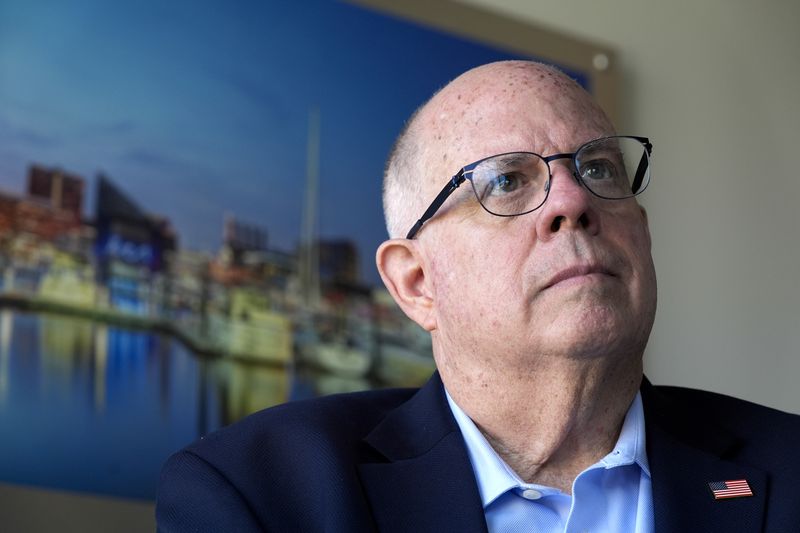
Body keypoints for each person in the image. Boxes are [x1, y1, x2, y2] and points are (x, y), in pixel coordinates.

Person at [155, 61, 800, 532]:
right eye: (506, 182)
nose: (573, 202)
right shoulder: (259, 496)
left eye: (599, 169)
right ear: (416, 283)